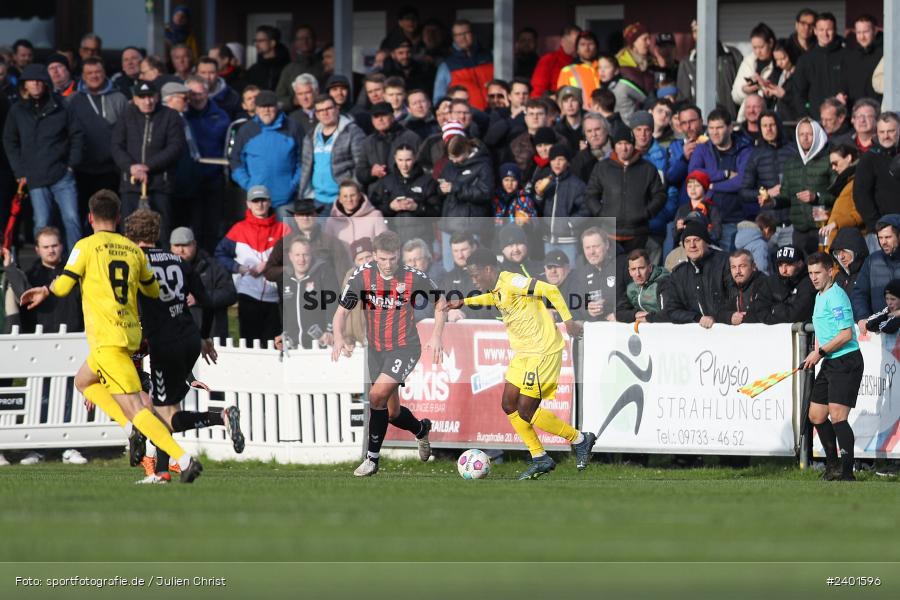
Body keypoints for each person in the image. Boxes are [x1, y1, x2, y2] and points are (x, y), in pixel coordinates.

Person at [19, 190, 203, 482]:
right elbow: (153, 290)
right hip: (129, 334)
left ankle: (182, 458)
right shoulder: (132, 250)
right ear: (118, 218)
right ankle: (133, 431)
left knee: (134, 407)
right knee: (83, 380)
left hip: (107, 339)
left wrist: (45, 289)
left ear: (90, 218)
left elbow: (65, 287)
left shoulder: (86, 246)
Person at [445, 248, 595, 479]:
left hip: (543, 351)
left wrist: (569, 322)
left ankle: (580, 439)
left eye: (475, 275)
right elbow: (493, 298)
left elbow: (550, 289)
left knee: (526, 410)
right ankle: (540, 458)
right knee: (508, 404)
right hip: (524, 354)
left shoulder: (511, 281)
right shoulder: (496, 288)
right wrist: (464, 301)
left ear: (488, 269)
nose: (473, 280)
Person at [124, 209, 243, 483]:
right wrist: (203, 337)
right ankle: (166, 467)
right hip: (189, 339)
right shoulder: (179, 262)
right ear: (157, 234)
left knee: (160, 415)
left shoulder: (135, 261)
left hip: (164, 344)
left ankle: (164, 470)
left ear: (131, 235)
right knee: (167, 412)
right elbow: (207, 301)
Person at [332, 231, 446, 476]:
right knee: (391, 412)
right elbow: (341, 312)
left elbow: (440, 302)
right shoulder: (362, 276)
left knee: (376, 397)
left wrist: (436, 335)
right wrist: (339, 336)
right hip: (376, 350)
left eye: (393, 259)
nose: (388, 264)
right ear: (374, 256)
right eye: (383, 259)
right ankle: (420, 429)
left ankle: (371, 460)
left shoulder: (413, 277)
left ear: (399, 256)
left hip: (404, 348)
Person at [3, 64, 83, 253]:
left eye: (40, 80)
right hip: (35, 176)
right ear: (24, 85)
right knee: (41, 222)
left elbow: (77, 135)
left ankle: (78, 263)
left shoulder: (62, 105)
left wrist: (72, 164)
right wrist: (19, 171)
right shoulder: (17, 110)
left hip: (62, 173)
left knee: (71, 218)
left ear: (46, 83)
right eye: (31, 81)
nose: (36, 84)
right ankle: (43, 265)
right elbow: (9, 141)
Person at [802, 251, 863, 481]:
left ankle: (847, 474)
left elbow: (846, 334)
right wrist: (819, 353)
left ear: (830, 271)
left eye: (818, 272)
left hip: (846, 360)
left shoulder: (836, 296)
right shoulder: (820, 295)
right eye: (810, 273)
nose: (814, 277)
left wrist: (819, 352)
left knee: (838, 417)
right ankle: (833, 465)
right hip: (830, 360)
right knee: (816, 416)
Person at [110, 80, 185, 246]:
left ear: (157, 97)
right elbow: (116, 146)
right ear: (135, 99)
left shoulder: (170, 116)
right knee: (129, 230)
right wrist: (131, 167)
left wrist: (148, 166)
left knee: (162, 230)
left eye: (150, 96)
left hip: (160, 184)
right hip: (130, 185)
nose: (147, 101)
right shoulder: (126, 116)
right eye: (142, 97)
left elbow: (176, 146)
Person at [214, 185, 290, 345]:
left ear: (270, 202)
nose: (260, 204)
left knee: (273, 345)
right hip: (248, 294)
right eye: (255, 201)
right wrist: (238, 268)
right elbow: (220, 254)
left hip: (275, 296)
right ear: (248, 204)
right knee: (249, 343)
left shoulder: (283, 229)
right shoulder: (238, 229)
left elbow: (295, 256)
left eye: (263, 200)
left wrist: (268, 265)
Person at [585, 124, 665, 253]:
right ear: (614, 145)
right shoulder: (602, 168)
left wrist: (647, 212)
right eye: (619, 143)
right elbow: (590, 195)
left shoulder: (647, 168)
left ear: (633, 145)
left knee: (635, 271)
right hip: (609, 233)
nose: (624, 148)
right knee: (612, 271)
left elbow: (660, 195)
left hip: (638, 233)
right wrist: (601, 213)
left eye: (627, 143)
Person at [69, 57, 128, 219]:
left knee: (109, 216)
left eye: (98, 72)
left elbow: (128, 132)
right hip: (81, 169)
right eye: (90, 73)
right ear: (82, 76)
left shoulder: (119, 99)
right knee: (84, 216)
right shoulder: (72, 100)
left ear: (104, 73)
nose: (94, 76)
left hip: (111, 170)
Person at [230, 89, 305, 217]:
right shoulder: (246, 130)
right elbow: (236, 161)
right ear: (256, 109)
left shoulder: (293, 127)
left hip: (286, 199)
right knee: (257, 237)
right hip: (257, 200)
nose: (266, 111)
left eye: (270, 106)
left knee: (287, 237)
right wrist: (248, 184)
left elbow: (303, 160)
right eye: (262, 107)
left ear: (277, 107)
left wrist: (293, 185)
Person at [687, 108, 752, 251]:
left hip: (736, 217)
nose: (714, 132)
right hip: (709, 218)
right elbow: (694, 173)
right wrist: (724, 174)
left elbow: (742, 181)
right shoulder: (702, 149)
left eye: (719, 127)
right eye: (711, 128)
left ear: (730, 128)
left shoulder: (744, 149)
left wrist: (712, 186)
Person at [2, 227, 82, 333]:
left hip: (74, 335)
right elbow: (23, 294)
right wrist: (9, 266)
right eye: (46, 247)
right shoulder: (30, 275)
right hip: (39, 338)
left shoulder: (75, 274)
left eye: (54, 246)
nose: (51, 250)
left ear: (62, 246)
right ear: (37, 250)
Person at [170, 226, 236, 343]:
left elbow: (230, 294)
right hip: (177, 337)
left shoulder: (213, 267)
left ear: (194, 244)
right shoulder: (164, 269)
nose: (180, 250)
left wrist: (200, 298)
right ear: (171, 247)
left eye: (185, 245)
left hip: (211, 337)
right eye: (176, 246)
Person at [263, 197, 351, 284]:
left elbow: (344, 272)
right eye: (301, 214)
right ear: (295, 217)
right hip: (293, 295)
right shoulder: (284, 243)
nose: (305, 218)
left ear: (316, 215)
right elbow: (269, 272)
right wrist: (287, 269)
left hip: (325, 295)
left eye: (309, 214)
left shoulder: (332, 242)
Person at [299, 94, 364, 212]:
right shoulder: (311, 135)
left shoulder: (352, 131)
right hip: (317, 199)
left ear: (336, 109)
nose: (325, 113)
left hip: (343, 199)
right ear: (316, 114)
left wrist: (351, 194)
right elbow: (305, 166)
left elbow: (361, 165)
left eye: (328, 108)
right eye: (320, 110)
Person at [740, 110, 795, 247]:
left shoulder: (793, 151)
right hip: (767, 227)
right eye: (764, 126)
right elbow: (744, 191)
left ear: (779, 126)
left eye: (772, 125)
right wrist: (767, 193)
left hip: (791, 223)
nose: (768, 129)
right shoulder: (756, 155)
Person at [662, 221, 729, 327]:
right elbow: (671, 310)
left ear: (706, 242)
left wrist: (718, 318)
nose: (692, 245)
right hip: (695, 337)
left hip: (728, 331)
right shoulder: (679, 274)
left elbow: (736, 300)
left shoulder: (725, 262)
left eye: (697, 240)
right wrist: (696, 318)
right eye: (687, 241)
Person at [370, 144, 440, 244]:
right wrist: (390, 207)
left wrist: (417, 207)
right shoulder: (386, 181)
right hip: (394, 240)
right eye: (400, 160)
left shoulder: (427, 181)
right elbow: (374, 208)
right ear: (395, 159)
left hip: (422, 238)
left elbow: (437, 212)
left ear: (415, 158)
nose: (404, 165)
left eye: (408, 160)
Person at [676, 20, 742, 122]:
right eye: (695, 31)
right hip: (701, 123)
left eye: (703, 30)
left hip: (730, 120)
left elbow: (741, 90)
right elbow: (683, 99)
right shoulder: (687, 63)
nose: (699, 35)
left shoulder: (732, 56)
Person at [280, 237, 338, 350]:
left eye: (305, 255)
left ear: (311, 255)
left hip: (319, 345)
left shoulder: (323, 274)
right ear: (290, 256)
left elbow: (333, 305)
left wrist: (330, 330)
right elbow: (285, 312)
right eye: (297, 255)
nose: (301, 259)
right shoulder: (286, 280)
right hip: (294, 347)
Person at [854, 112, 900, 246]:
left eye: (891, 131)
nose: (886, 136)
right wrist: (877, 225)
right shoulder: (869, 158)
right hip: (880, 233)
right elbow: (861, 196)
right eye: (882, 132)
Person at [355, 102, 420, 194]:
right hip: (377, 196)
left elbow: (421, 168)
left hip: (405, 193)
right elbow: (360, 173)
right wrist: (371, 172)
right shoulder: (368, 142)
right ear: (372, 120)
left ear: (392, 117)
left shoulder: (411, 138)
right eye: (376, 117)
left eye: (384, 115)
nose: (380, 120)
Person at [564, 227, 625, 322]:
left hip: (621, 324)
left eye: (596, 246)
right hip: (596, 327)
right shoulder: (583, 272)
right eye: (587, 248)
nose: (592, 252)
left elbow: (633, 296)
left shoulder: (622, 265)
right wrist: (588, 311)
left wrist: (618, 314)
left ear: (607, 245)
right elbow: (578, 304)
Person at [851, 215, 900, 329]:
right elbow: (859, 293)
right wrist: (863, 317)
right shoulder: (872, 261)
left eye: (888, 237)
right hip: (880, 337)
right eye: (880, 237)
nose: (883, 242)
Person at [793, 12, 846, 118]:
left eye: (829, 30)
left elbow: (851, 86)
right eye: (821, 30)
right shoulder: (805, 60)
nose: (825, 34)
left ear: (835, 30)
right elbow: (798, 94)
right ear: (815, 31)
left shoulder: (846, 56)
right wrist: (807, 118)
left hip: (842, 120)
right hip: (815, 120)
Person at [433, 20, 493, 110]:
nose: (463, 38)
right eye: (458, 35)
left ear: (473, 34)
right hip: (465, 117)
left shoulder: (490, 57)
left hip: (494, 113)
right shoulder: (447, 65)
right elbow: (439, 99)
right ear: (453, 38)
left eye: (466, 33)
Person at [731, 23, 780, 123]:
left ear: (770, 42)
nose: (758, 51)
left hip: (771, 119)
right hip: (747, 120)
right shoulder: (748, 62)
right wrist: (745, 90)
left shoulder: (779, 62)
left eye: (761, 47)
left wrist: (764, 84)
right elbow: (735, 95)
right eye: (754, 47)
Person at [818, 144, 862, 247]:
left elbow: (861, 213)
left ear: (848, 158)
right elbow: (846, 210)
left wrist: (836, 223)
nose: (833, 168)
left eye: (835, 163)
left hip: (848, 243)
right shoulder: (847, 181)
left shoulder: (858, 180)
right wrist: (829, 216)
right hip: (838, 240)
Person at [716, 249, 773, 325]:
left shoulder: (765, 284)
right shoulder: (732, 286)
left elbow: (764, 313)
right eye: (733, 267)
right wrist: (730, 317)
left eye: (742, 266)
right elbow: (719, 313)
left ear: (753, 266)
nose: (737, 271)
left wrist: (742, 318)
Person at [275, 25, 325, 109]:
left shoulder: (324, 65)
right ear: (296, 43)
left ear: (315, 40)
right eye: (300, 39)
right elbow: (278, 99)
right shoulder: (289, 69)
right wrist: (292, 101)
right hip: (296, 115)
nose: (305, 41)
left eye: (308, 38)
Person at [763, 245, 815, 324]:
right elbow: (757, 310)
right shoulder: (771, 281)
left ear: (800, 263)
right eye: (780, 265)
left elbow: (796, 314)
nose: (784, 270)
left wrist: (774, 310)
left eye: (788, 265)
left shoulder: (809, 283)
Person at [615, 248, 669, 323]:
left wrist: (648, 318)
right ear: (629, 271)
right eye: (633, 269)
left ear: (650, 268)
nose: (637, 274)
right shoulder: (632, 287)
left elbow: (669, 313)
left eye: (641, 268)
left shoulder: (664, 282)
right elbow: (618, 312)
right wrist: (635, 314)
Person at [838, 15, 882, 107]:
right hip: (856, 113)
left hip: (879, 111)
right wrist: (841, 94)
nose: (862, 37)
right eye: (858, 32)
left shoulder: (884, 55)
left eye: (866, 32)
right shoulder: (849, 57)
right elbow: (843, 85)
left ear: (875, 30)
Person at [530, 25, 580, 99]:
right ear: (563, 41)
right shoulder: (549, 60)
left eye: (582, 43)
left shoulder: (587, 64)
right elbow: (537, 92)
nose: (579, 46)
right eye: (576, 43)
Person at [598, 54, 645, 124]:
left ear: (616, 70)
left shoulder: (624, 84)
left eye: (607, 67)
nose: (602, 71)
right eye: (599, 67)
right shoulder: (598, 88)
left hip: (629, 129)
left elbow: (646, 98)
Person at [556, 32, 600, 107]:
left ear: (596, 47)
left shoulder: (604, 66)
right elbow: (561, 98)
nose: (587, 48)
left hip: (604, 113)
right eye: (582, 44)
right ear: (577, 50)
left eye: (590, 44)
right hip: (580, 114)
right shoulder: (568, 70)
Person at [616, 22, 655, 96]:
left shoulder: (653, 62)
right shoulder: (620, 63)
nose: (649, 42)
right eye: (645, 39)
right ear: (634, 42)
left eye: (649, 38)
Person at [245, 25, 289, 91]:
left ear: (272, 43)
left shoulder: (286, 67)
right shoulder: (254, 69)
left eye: (261, 41)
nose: (256, 44)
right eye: (255, 41)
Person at [829, 226, 869, 295]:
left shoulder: (868, 274)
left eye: (844, 251)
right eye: (837, 253)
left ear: (856, 251)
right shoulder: (838, 277)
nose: (841, 257)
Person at [570, 113, 609, 182]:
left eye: (597, 129)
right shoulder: (579, 160)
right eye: (589, 131)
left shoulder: (620, 150)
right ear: (585, 135)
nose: (594, 134)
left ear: (606, 130)